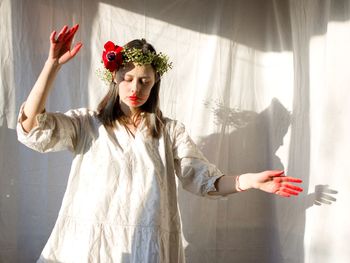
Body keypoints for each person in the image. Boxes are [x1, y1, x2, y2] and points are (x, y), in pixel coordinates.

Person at [17, 24, 303, 263]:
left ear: (155, 84)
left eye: (144, 80)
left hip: (146, 249)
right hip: (88, 248)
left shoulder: (170, 132)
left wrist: (249, 180)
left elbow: (204, 179)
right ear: (114, 78)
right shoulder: (87, 124)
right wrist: (51, 66)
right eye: (127, 78)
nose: (135, 88)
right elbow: (32, 127)